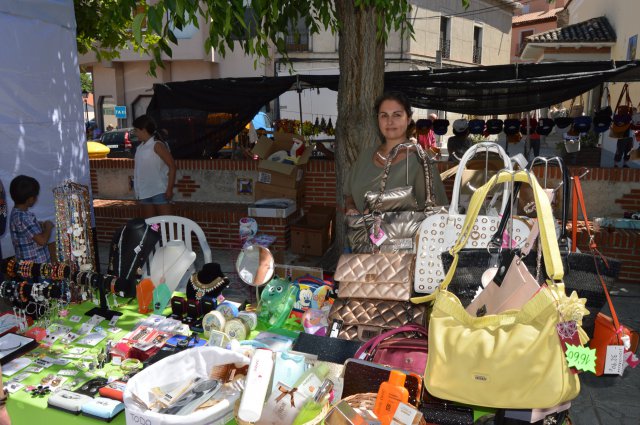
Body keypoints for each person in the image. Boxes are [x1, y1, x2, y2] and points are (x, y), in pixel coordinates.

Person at [344, 91, 447, 215]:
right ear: (377, 119)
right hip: (361, 233)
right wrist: (351, 208)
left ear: (408, 119)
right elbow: (349, 195)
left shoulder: (421, 161)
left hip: (406, 234)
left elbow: (438, 211)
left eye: (397, 115)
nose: (389, 121)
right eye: (384, 115)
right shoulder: (366, 156)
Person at [132, 115, 176, 218]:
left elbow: (172, 167)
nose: (135, 133)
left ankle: (172, 235)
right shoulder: (140, 148)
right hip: (144, 193)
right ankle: (157, 234)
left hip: (160, 192)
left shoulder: (157, 145)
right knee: (152, 225)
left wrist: (169, 189)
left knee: (168, 223)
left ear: (143, 130)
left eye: (136, 130)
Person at [9, 175, 53, 263]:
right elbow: (42, 241)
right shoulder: (22, 217)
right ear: (30, 199)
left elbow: (27, 232)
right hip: (34, 270)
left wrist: (38, 225)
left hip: (35, 267)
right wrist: (48, 227)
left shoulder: (19, 213)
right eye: (36, 196)